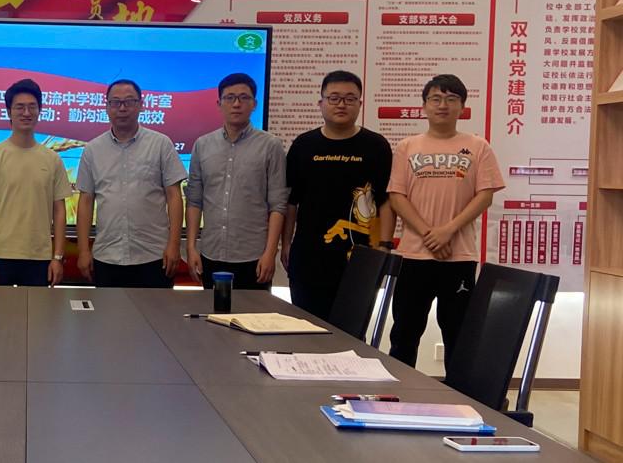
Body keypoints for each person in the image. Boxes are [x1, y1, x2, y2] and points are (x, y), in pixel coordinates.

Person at [387, 74, 505, 372]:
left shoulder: (478, 146)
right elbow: (397, 197)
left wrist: (447, 231)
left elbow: (485, 196)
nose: (443, 105)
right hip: (414, 256)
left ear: (462, 107)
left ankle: (459, 395)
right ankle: (400, 393)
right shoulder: (407, 146)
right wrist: (430, 234)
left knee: (459, 334)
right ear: (424, 106)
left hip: (459, 257)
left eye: (451, 99)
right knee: (404, 332)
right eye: (436, 99)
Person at [280, 70, 395, 320]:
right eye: (334, 98)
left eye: (350, 99)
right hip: (309, 255)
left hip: (360, 255)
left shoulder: (376, 146)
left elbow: (385, 201)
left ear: (360, 104)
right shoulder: (303, 145)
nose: (341, 104)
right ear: (321, 103)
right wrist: (286, 243)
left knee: (352, 329)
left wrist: (384, 246)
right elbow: (291, 201)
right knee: (306, 327)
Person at [76, 79, 186, 287]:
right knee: (108, 309)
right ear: (107, 107)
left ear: (141, 105)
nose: (122, 108)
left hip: (154, 255)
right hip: (107, 255)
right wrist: (83, 250)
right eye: (115, 102)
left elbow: (174, 196)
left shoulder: (160, 144)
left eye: (129, 101)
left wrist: (174, 245)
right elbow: (86, 201)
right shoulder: (93, 150)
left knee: (156, 309)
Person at [186, 73, 287, 290]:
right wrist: (192, 247)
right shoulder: (202, 145)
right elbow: (194, 201)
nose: (237, 104)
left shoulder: (271, 146)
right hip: (211, 253)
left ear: (254, 104)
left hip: (254, 256)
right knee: (212, 310)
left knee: (253, 312)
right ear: (219, 103)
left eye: (244, 98)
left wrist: (270, 253)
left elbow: (278, 205)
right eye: (230, 98)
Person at [0, 79, 73, 286]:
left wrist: (57, 257)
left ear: (40, 111)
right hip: (0, 255)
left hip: (40, 257)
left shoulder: (53, 159)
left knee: (38, 308)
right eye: (19, 107)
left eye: (32, 107)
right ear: (9, 112)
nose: (26, 113)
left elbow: (59, 211)